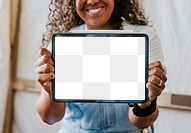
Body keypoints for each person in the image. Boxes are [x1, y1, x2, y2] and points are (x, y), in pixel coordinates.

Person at [34, 0, 167, 132]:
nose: (93, 1)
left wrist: (145, 103)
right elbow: (49, 118)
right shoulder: (62, 42)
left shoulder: (144, 38)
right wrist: (48, 91)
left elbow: (141, 123)